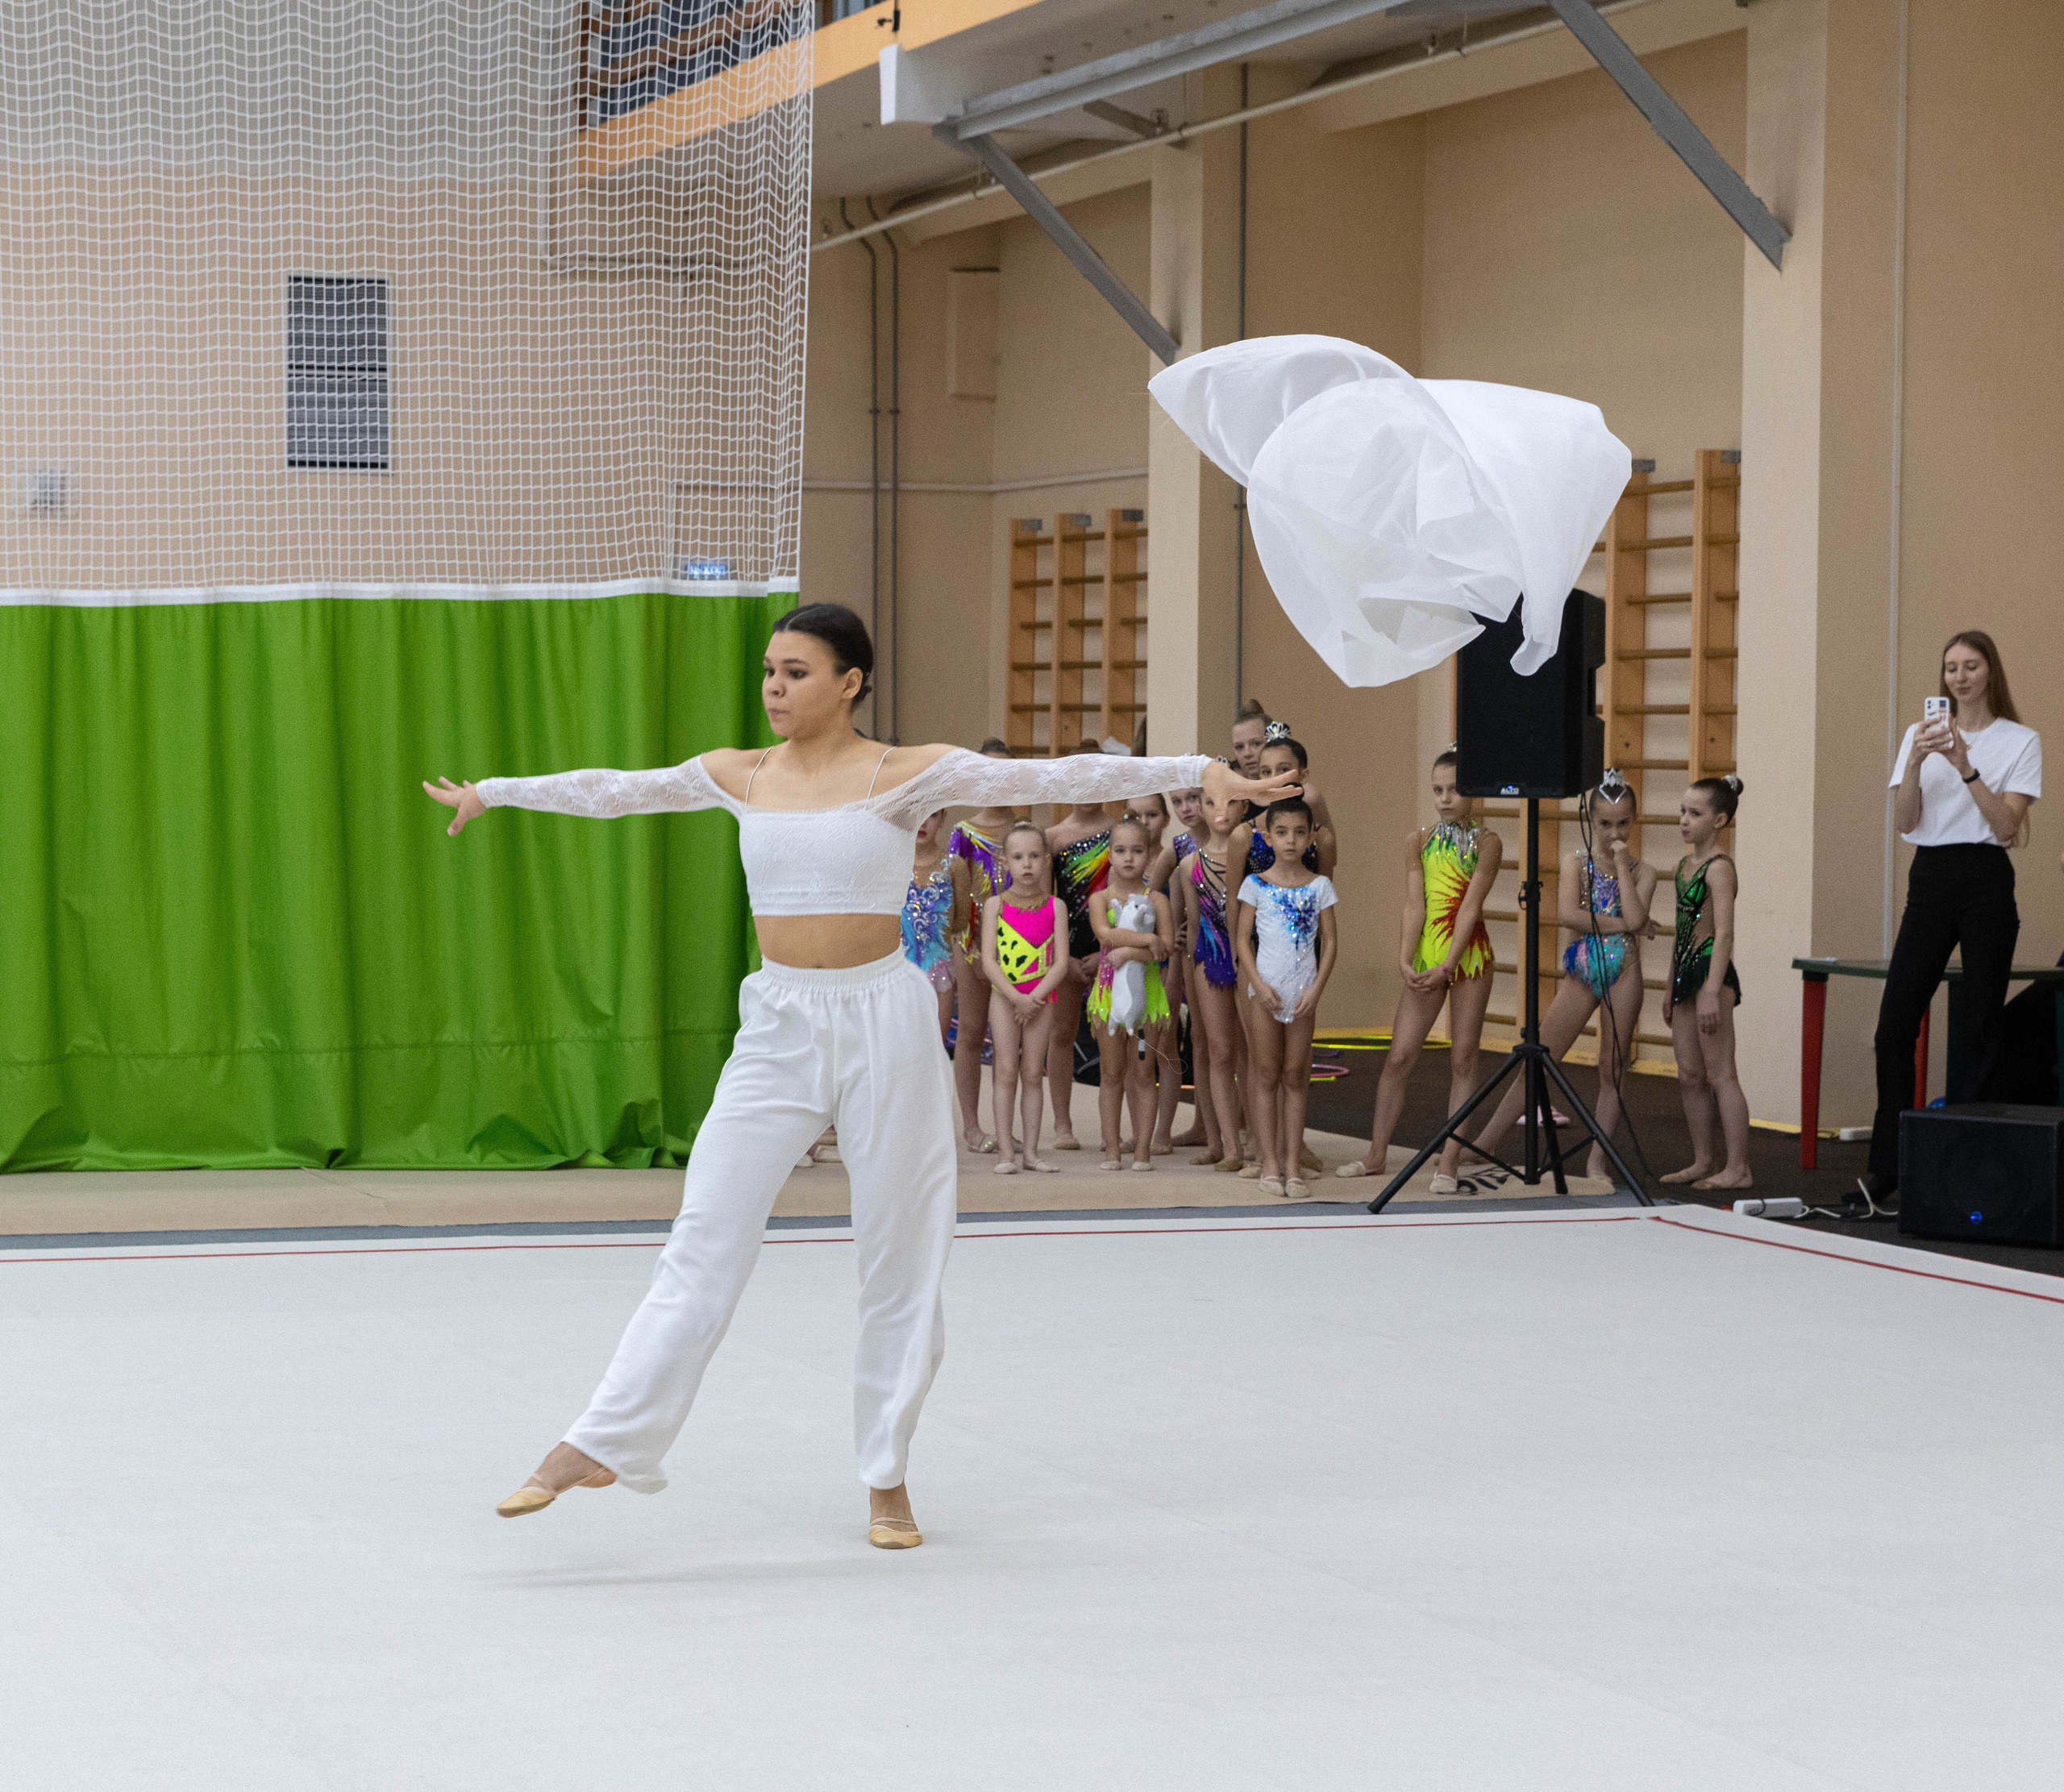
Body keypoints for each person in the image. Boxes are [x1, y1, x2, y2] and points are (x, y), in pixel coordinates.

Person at [424, 602, 1292, 1549]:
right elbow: (619, 789)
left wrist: (1193, 772)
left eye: (794, 672)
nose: (772, 688)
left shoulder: (904, 774)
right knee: (705, 1233)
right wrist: (495, 791)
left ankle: (886, 1475)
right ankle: (602, 1439)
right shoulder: (738, 774)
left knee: (901, 1250)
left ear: (849, 682)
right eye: (767, 671)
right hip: (780, 1022)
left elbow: (1048, 775)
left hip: (884, 1019)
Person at [1857, 630, 2041, 1216]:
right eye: (1951, 668)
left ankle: (1973, 1167)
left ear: (1991, 671)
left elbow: (2006, 827)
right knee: (1894, 1026)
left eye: (1971, 666)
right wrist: (1914, 762)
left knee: (1981, 1023)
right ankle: (1886, 1166)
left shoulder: (2020, 740)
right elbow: (1907, 822)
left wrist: (1964, 766)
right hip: (1931, 875)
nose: (1959, 677)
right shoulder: (1919, 734)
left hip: (1986, 876)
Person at [1460, 771, 1654, 1187]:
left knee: (1612, 1068)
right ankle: (1488, 1141)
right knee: (1540, 1058)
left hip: (1626, 972)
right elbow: (1567, 914)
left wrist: (1622, 869)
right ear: (1590, 819)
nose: (1613, 832)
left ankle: (1598, 1161)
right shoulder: (1574, 862)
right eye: (1604, 824)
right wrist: (1626, 923)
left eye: (1623, 823)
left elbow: (1638, 919)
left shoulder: (1643, 871)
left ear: (1634, 820)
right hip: (1583, 968)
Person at [1336, 750, 1502, 1191]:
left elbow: (1470, 905)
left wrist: (1450, 964)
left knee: (1464, 1056)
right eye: (1438, 790)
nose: (1446, 798)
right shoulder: (1419, 841)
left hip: (1468, 957)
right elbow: (1416, 904)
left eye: (1455, 789)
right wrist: (1404, 958)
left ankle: (1448, 1161)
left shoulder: (1488, 843)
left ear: (1474, 792)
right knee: (1400, 1056)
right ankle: (1376, 1155)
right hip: (1429, 953)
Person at [1234, 798, 1339, 1198]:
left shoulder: (1319, 886)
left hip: (1302, 995)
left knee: (1296, 1077)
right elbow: (1243, 940)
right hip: (1266, 993)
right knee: (1265, 1075)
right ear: (1267, 837)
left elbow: (1330, 943)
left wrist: (1316, 990)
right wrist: (1258, 985)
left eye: (1299, 832)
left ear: (1312, 836)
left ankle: (1293, 1165)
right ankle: (1269, 1164)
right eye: (1282, 832)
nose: (1291, 840)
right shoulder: (1255, 884)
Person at [1661, 778, 1751, 1190]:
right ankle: (1702, 1160)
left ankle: (1738, 1168)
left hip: (1710, 976)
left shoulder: (1719, 869)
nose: (1684, 820)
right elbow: (1681, 931)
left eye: (1694, 814)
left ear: (1719, 820)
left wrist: (1712, 989)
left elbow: (1725, 934)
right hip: (1685, 975)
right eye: (1682, 811)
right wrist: (1669, 986)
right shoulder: (1684, 867)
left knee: (1720, 1074)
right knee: (1690, 1075)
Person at [982, 822, 1071, 1177]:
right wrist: (1016, 996)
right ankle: (1007, 1151)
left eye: (1034, 856)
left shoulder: (1056, 906)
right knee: (1005, 1070)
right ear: (1005, 862)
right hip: (1005, 997)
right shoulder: (995, 905)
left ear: (1046, 860)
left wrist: (1033, 997)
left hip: (1040, 998)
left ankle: (1031, 1152)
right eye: (1018, 857)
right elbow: (989, 959)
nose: (1027, 864)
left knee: (1033, 1072)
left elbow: (1061, 960)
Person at [1086, 817, 1175, 1170]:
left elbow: (1166, 947)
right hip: (1109, 994)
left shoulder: (1158, 901)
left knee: (1142, 1073)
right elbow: (1105, 935)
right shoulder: (1100, 899)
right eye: (1120, 850)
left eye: (1137, 850)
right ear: (1109, 854)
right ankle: (1112, 1149)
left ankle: (1142, 1150)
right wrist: (1146, 941)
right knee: (1111, 1073)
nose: (1128, 858)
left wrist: (1132, 952)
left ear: (1150, 854)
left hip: (1147, 995)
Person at [946, 739, 1017, 1153]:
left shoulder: (1026, 833)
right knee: (972, 1031)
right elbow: (959, 896)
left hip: (1019, 945)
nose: (997, 783)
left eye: (1005, 774)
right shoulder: (963, 833)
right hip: (971, 941)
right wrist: (963, 943)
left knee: (1014, 1042)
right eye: (988, 774)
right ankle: (972, 1127)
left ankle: (1007, 1126)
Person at [1045, 746, 1114, 1151]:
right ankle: (1062, 1124)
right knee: (1061, 1032)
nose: (1086, 787)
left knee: (1113, 1036)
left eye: (1095, 777)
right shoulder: (1053, 838)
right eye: (1078, 778)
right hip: (1067, 948)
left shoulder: (1122, 831)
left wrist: (1111, 947)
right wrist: (1061, 955)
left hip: (1112, 945)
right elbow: (1045, 903)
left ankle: (1112, 1128)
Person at [1180, 783, 1251, 1172]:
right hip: (1210, 957)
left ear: (1244, 807)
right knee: (1220, 1052)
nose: (1220, 811)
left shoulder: (1257, 854)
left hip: (1252, 955)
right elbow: (1192, 926)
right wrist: (1192, 974)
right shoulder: (1190, 864)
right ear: (1202, 809)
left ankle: (1258, 1137)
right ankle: (1229, 1145)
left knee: (1253, 1053)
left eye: (1230, 802)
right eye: (1210, 802)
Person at [1154, 784, 1210, 1153]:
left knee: (1225, 1046)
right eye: (1177, 801)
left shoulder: (1238, 838)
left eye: (1193, 798)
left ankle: (1231, 1126)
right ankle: (1202, 1126)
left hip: (1225, 949)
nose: (1186, 808)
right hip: (1188, 953)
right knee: (1193, 1041)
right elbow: (1147, 891)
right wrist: (1169, 931)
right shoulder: (1178, 848)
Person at [901, 807, 958, 1043]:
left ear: (943, 817)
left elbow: (960, 920)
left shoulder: (954, 867)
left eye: (932, 815)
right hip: (898, 972)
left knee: (934, 1048)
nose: (923, 822)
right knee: (898, 1051)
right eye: (917, 813)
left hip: (939, 972)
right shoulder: (892, 865)